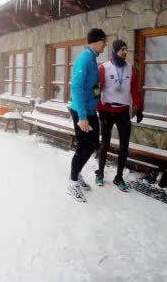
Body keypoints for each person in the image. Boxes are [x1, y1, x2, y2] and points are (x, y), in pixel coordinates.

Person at [96, 39, 143, 191]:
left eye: (126, 49)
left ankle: (119, 177)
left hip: (123, 111)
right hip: (107, 111)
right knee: (105, 144)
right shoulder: (104, 68)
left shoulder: (130, 69)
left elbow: (134, 89)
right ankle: (100, 173)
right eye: (122, 49)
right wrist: (99, 108)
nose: (125, 51)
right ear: (115, 51)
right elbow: (96, 89)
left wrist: (139, 107)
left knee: (124, 146)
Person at [67, 28, 107, 202]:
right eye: (104, 41)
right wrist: (82, 117)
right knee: (85, 147)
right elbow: (76, 87)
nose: (105, 44)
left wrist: (98, 101)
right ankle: (72, 183)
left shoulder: (91, 59)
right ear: (96, 41)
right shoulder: (85, 60)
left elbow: (92, 87)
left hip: (90, 110)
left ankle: (77, 174)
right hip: (81, 111)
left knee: (92, 145)